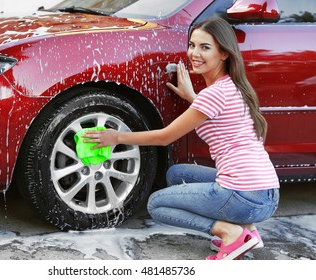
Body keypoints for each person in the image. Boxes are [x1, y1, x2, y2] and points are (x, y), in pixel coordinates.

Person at [83, 17, 280, 260]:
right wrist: (192, 97)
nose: (194, 53)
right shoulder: (234, 87)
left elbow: (165, 137)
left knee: (157, 205)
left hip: (244, 197)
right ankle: (249, 232)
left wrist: (115, 137)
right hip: (267, 194)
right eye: (192, 45)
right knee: (177, 175)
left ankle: (229, 232)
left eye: (205, 47)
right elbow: (217, 115)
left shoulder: (213, 95)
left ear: (224, 53)